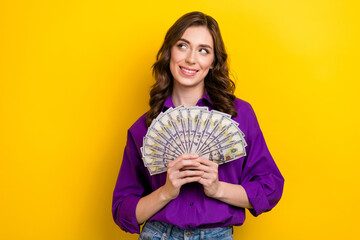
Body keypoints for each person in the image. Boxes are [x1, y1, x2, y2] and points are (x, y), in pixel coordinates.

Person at [112, 11, 284, 239]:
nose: (191, 59)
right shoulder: (144, 128)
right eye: (182, 46)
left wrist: (217, 188)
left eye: (203, 50)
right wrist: (166, 192)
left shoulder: (239, 115)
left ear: (213, 62)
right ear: (169, 52)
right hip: (159, 234)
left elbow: (270, 187)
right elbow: (123, 210)